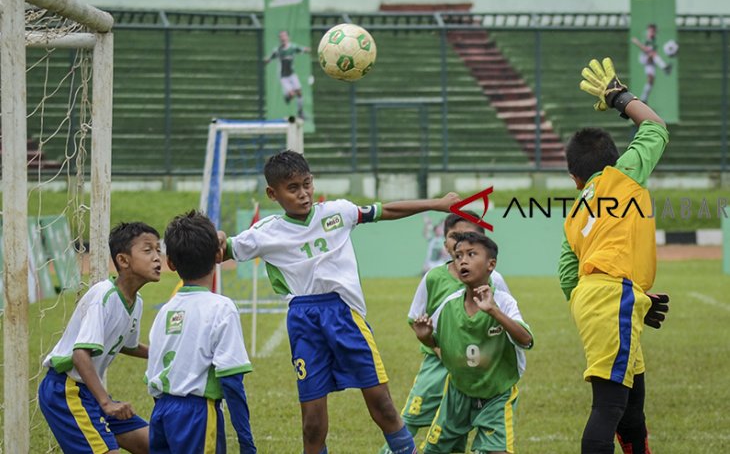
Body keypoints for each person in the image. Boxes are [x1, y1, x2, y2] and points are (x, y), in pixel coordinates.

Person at [219, 149, 460, 454]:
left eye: (307, 184)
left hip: (344, 315)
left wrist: (437, 204)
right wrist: (217, 235)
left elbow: (386, 211)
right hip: (304, 321)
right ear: (272, 193)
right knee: (312, 424)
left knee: (383, 406)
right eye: (292, 188)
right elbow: (219, 249)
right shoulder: (263, 234)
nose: (304, 194)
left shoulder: (338, 212)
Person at [560, 57, 670, 453]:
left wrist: (633, 298)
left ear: (575, 179)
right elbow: (655, 128)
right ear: (612, 160)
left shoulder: (573, 211)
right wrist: (620, 97)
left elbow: (567, 277)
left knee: (632, 406)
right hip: (613, 296)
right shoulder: (623, 175)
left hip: (600, 297)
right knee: (609, 405)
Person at [378, 211, 512, 454]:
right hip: (437, 362)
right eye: (455, 236)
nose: (461, 241)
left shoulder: (496, 280)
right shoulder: (434, 277)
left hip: (476, 367)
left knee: (459, 426)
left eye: (470, 236)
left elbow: (507, 319)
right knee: (412, 417)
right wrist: (438, 348)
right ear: (446, 242)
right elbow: (415, 318)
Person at [38, 222, 162, 454]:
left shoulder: (137, 302)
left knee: (156, 446)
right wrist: (107, 403)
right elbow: (79, 354)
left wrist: (162, 353)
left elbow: (127, 345)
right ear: (123, 260)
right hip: (66, 391)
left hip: (88, 392)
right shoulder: (103, 296)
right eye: (148, 250)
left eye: (158, 250)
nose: (157, 257)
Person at [413, 232, 533, 454]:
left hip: (497, 394)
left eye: (471, 254)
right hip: (457, 395)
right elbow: (436, 342)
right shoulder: (448, 306)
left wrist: (494, 311)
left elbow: (526, 340)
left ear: (491, 265)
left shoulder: (503, 302)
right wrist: (425, 337)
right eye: (458, 256)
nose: (462, 261)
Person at [146, 210, 256, 453]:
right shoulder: (222, 308)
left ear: (171, 263)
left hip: (161, 413)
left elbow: (152, 371)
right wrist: (246, 442)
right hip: (198, 415)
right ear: (219, 255)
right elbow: (232, 380)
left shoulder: (164, 311)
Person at [264, 30, 311, 119]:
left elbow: (302, 49)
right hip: (283, 76)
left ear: (288, 37)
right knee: (292, 94)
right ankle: (287, 97)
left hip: (292, 74)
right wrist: (266, 60)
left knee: (299, 93)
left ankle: (300, 113)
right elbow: (269, 58)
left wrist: (307, 50)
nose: (283, 38)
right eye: (281, 36)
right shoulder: (278, 50)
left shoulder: (293, 47)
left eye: (284, 36)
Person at [631, 23, 672, 103]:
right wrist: (636, 42)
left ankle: (644, 99)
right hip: (644, 58)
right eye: (651, 30)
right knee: (653, 54)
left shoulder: (654, 39)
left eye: (653, 30)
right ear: (648, 30)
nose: (652, 32)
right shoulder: (646, 38)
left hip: (651, 61)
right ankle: (665, 67)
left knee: (651, 80)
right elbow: (645, 49)